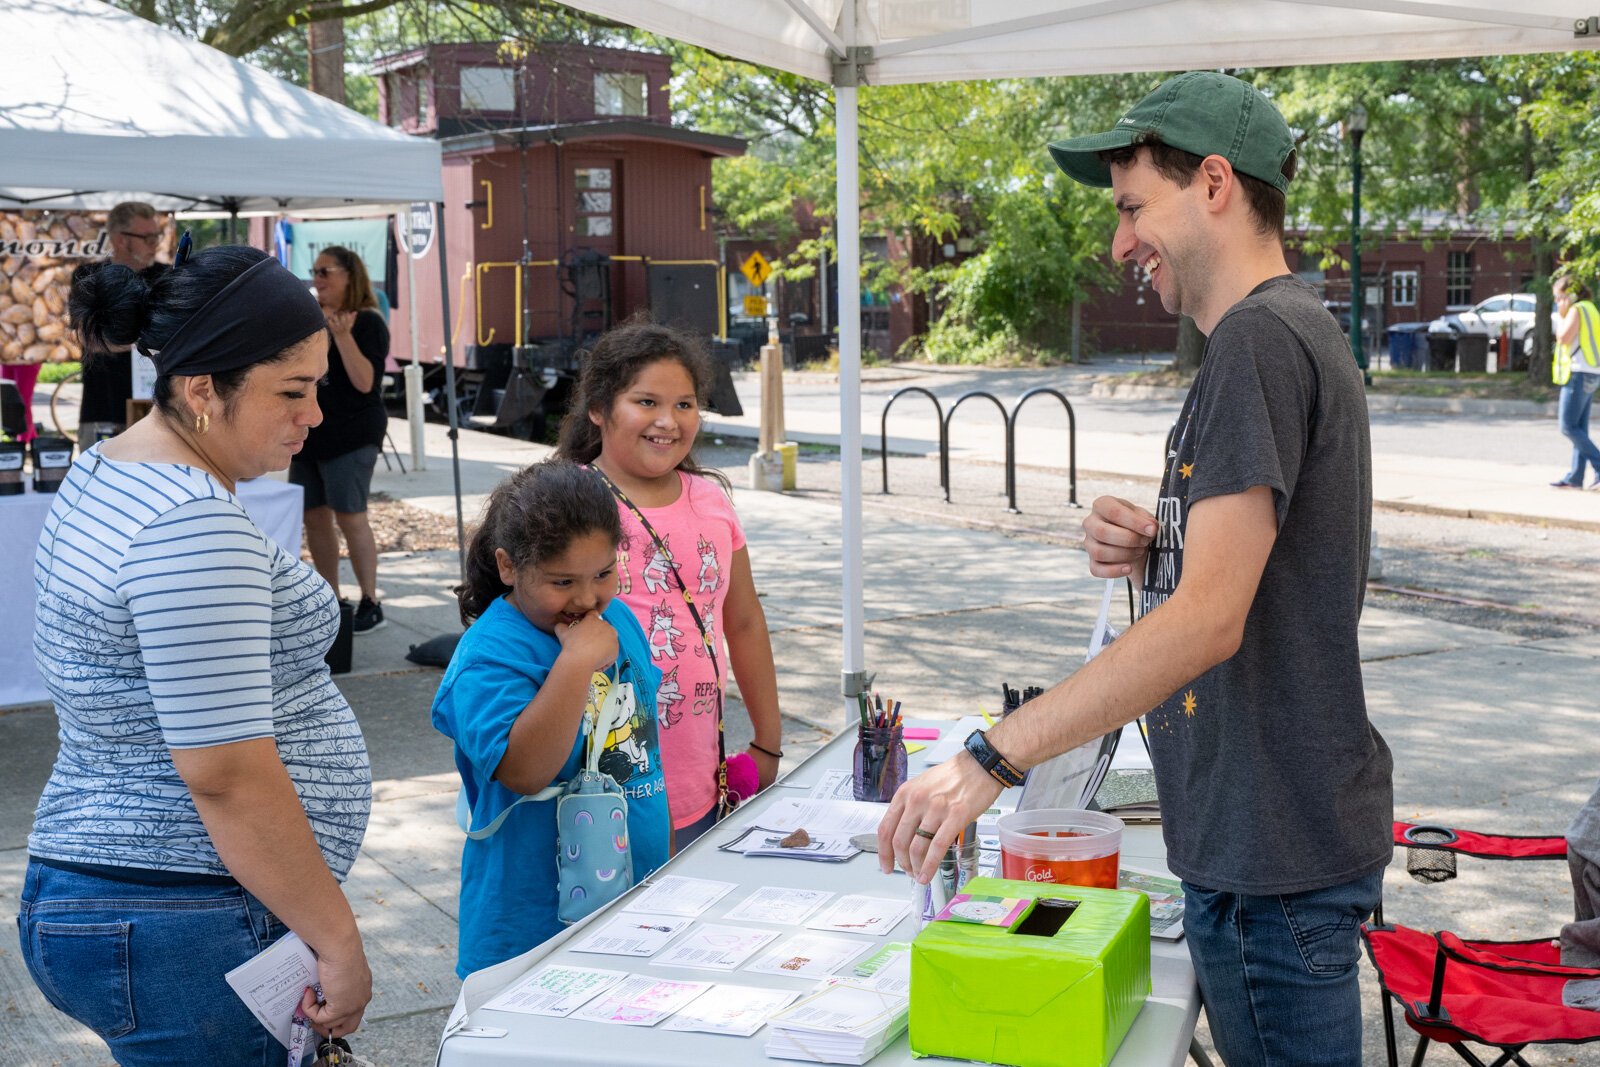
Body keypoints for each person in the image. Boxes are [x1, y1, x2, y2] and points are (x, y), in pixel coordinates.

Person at [877, 72, 1393, 1067]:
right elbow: (1257, 572)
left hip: (1270, 856)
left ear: (1212, 185)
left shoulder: (1253, 341)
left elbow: (1209, 622)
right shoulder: (1277, 334)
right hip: (1273, 840)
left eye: (1129, 208)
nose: (1118, 244)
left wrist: (992, 755)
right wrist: (1161, 540)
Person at [20, 241, 373, 1063]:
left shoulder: (111, 468)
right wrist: (338, 938)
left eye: (315, 387)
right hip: (186, 914)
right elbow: (227, 773)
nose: (313, 415)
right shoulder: (189, 524)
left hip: (132, 895)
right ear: (202, 387)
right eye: (291, 391)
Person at [431, 460, 670, 976]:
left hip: (634, 903)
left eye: (604, 573)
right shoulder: (490, 657)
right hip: (531, 929)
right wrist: (576, 663)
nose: (587, 599)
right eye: (563, 581)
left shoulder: (618, 619)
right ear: (510, 566)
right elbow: (525, 771)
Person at [555, 320, 784, 849]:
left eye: (684, 404)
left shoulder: (711, 500)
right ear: (598, 408)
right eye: (646, 402)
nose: (668, 421)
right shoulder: (569, 500)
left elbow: (744, 621)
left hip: (699, 776)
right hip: (603, 784)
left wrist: (767, 744)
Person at [291, 245, 391, 633]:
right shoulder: (310, 321)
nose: (317, 280)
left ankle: (370, 600)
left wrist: (344, 337)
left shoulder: (367, 322)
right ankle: (330, 598)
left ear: (350, 276)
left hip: (353, 432)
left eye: (325, 271)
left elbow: (365, 383)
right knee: (313, 516)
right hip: (311, 430)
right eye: (313, 271)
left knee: (351, 516)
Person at [76, 201, 165, 442]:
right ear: (120, 240)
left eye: (157, 236)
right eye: (147, 237)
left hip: (159, 410)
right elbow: (90, 338)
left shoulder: (167, 276)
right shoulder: (89, 276)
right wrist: (149, 339)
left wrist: (119, 340)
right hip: (103, 407)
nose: (155, 244)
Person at [1549, 273, 1600, 489]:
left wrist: (1561, 314)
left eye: (1559, 297)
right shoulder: (1591, 308)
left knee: (1567, 426)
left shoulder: (1576, 310)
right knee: (1579, 427)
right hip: (1591, 371)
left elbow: (1563, 338)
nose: (1557, 302)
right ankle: (1575, 478)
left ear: (1569, 295)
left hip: (1578, 373)